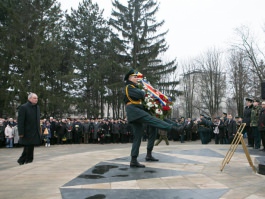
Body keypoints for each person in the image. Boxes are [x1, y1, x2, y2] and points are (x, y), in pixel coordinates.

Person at [123, 69, 182, 168]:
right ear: (129, 78)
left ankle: (133, 160)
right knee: (152, 120)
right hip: (134, 111)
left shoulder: (133, 86)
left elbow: (142, 98)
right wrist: (143, 92)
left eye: (137, 77)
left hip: (136, 110)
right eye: (135, 77)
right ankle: (173, 129)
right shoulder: (129, 87)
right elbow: (140, 94)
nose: (137, 79)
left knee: (138, 136)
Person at [17, 93, 41, 165]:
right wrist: (21, 132)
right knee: (28, 147)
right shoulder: (23, 107)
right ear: (29, 98)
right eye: (34, 98)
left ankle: (23, 160)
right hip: (27, 131)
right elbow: (20, 121)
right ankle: (27, 160)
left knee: (30, 146)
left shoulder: (37, 107)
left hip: (35, 131)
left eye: (37, 98)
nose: (36, 99)